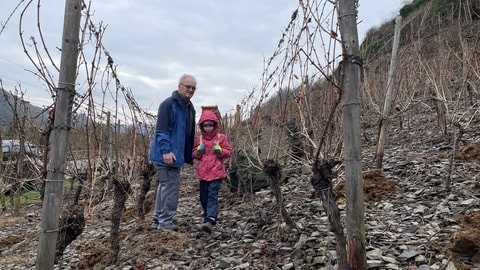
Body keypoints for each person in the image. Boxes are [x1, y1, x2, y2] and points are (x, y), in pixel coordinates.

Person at [149, 74, 197, 231]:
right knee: (171, 188)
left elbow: (187, 133)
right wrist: (166, 151)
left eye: (193, 88)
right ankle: (165, 222)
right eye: (187, 86)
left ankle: (158, 219)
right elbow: (162, 130)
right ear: (179, 86)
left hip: (175, 155)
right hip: (168, 155)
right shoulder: (169, 105)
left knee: (164, 186)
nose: (190, 90)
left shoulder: (189, 107)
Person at [192, 109, 232, 233]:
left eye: (210, 125)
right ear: (202, 126)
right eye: (205, 125)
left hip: (216, 172)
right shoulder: (199, 140)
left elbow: (228, 152)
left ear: (214, 125)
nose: (208, 128)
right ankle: (207, 217)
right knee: (203, 197)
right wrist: (198, 151)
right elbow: (194, 154)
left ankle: (211, 219)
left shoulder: (221, 138)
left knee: (212, 196)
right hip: (203, 173)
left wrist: (220, 151)